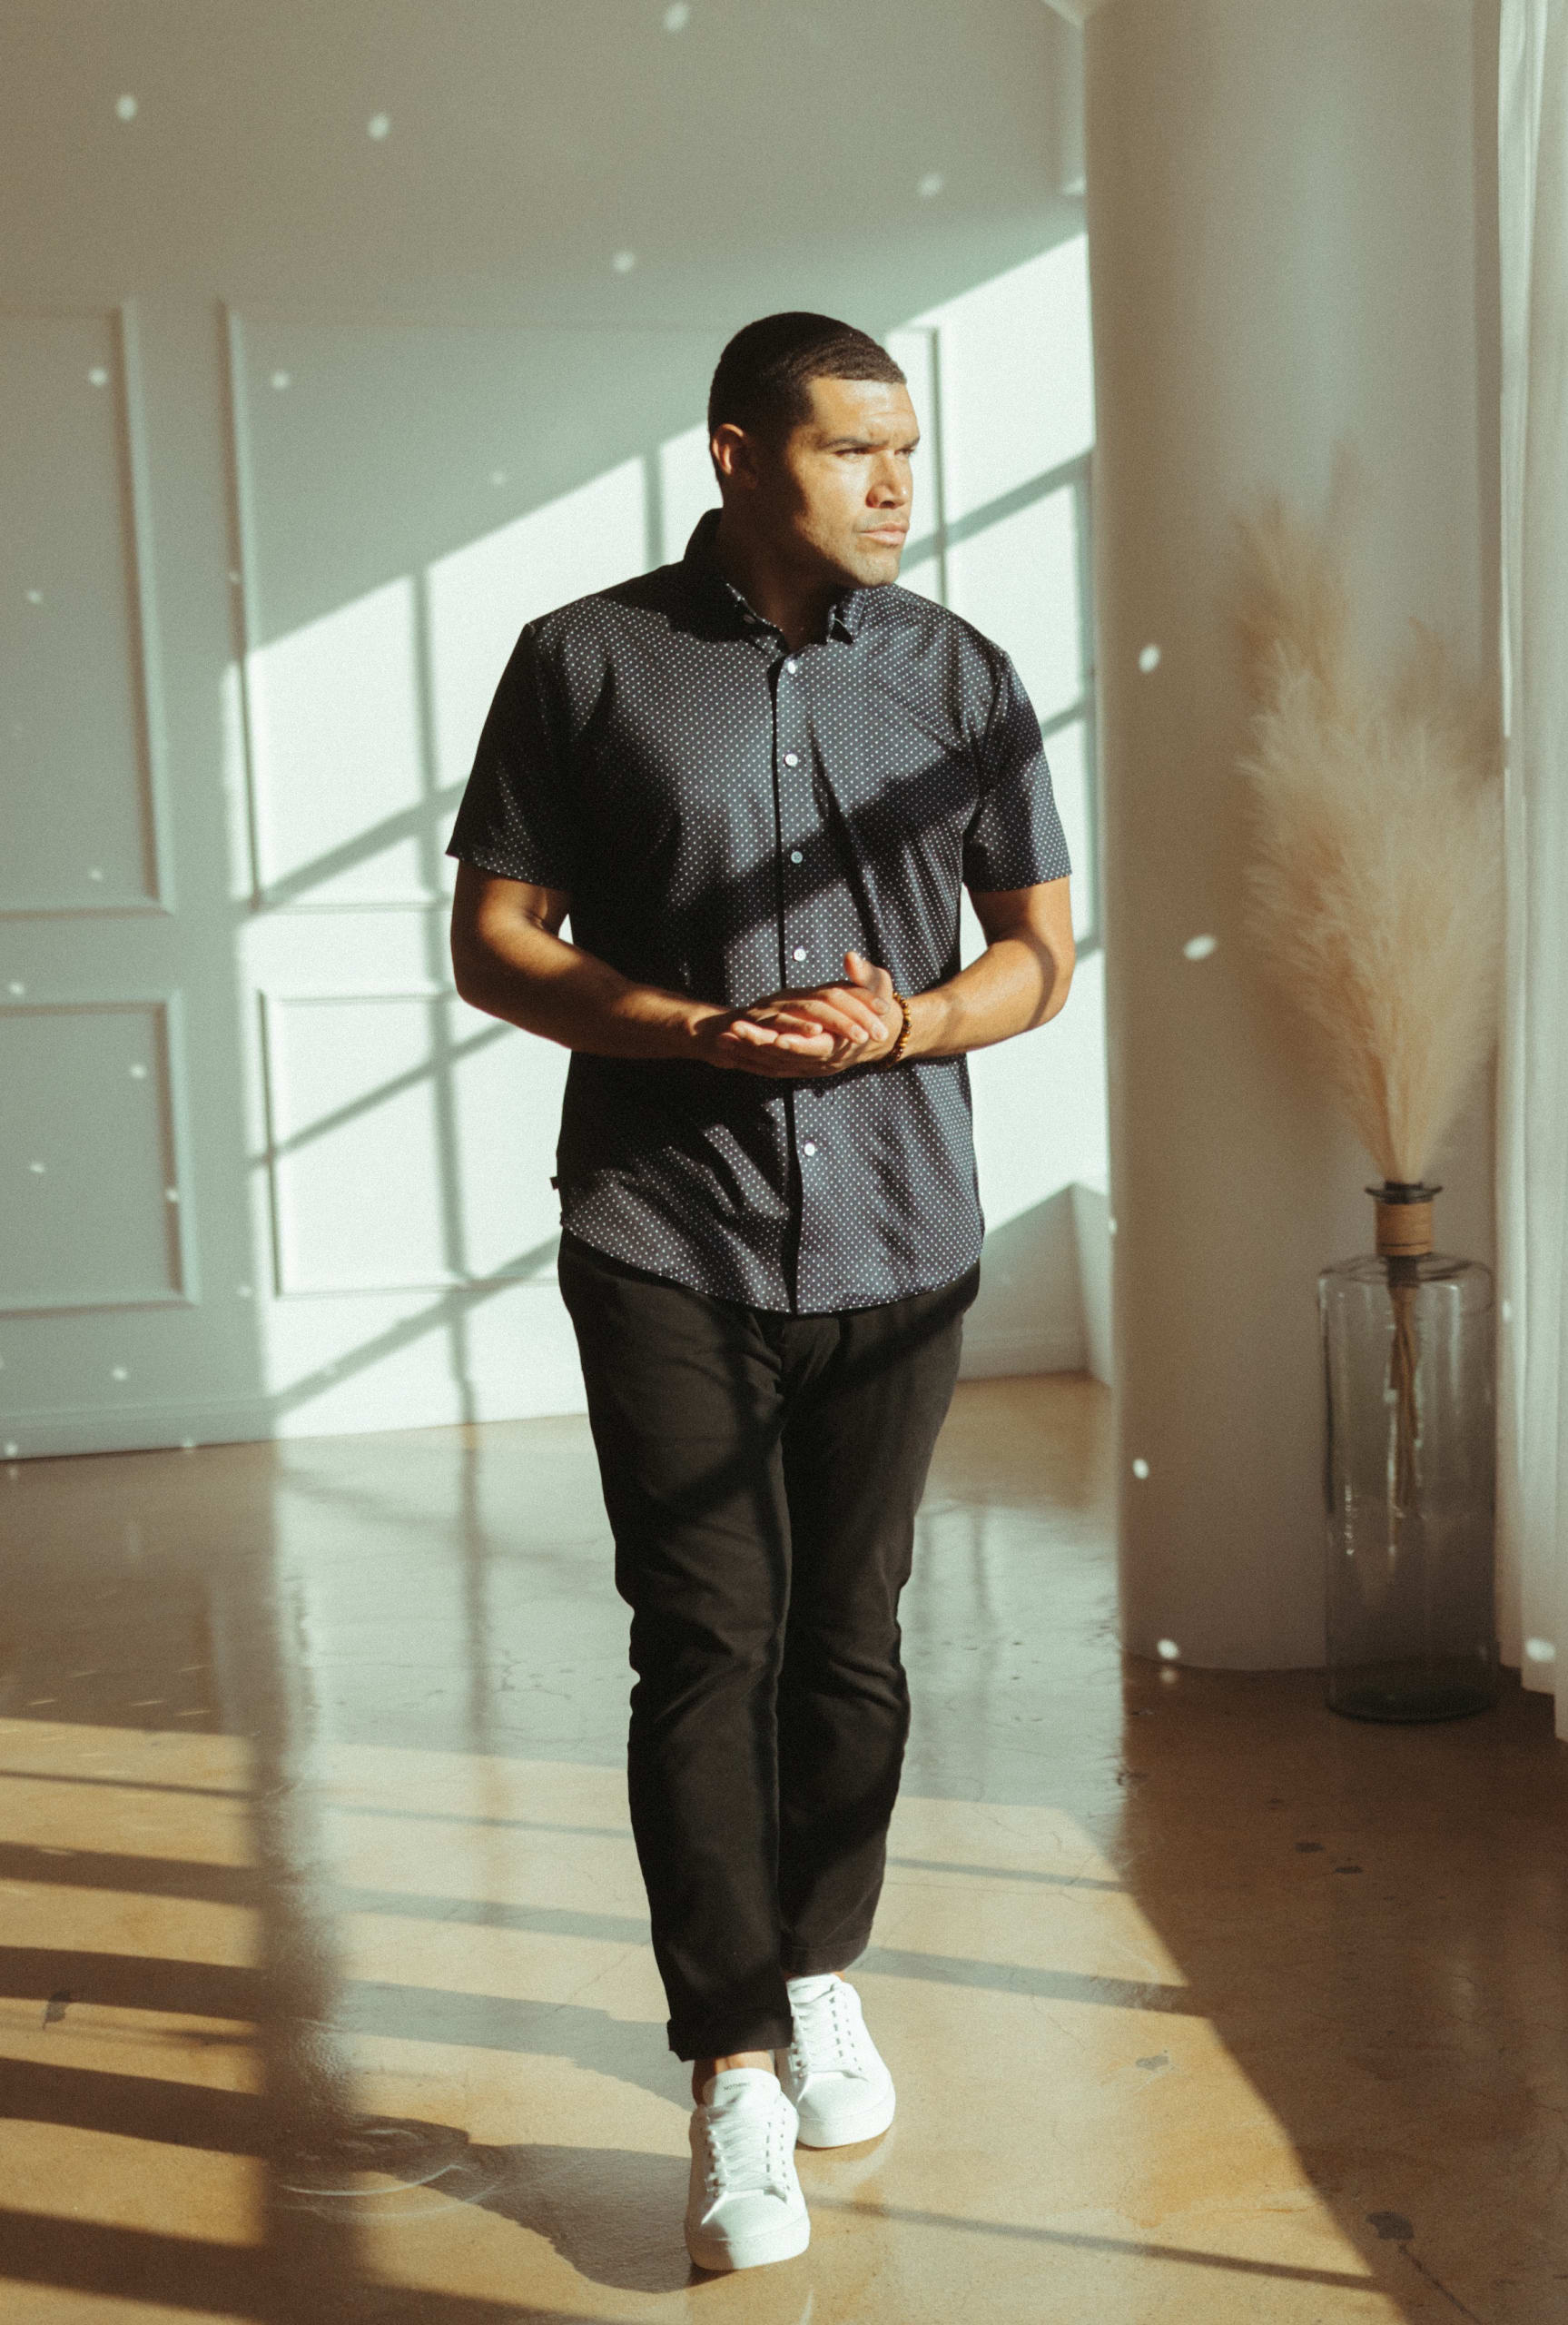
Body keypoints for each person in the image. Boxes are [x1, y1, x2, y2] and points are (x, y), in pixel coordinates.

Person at [446, 311, 1076, 2273]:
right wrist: (702, 1033)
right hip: (667, 1224)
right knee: (706, 1632)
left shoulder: (963, 675)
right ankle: (726, 2060)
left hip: (902, 1227)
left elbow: (1043, 951)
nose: (901, 484)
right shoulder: (585, 661)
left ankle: (817, 1965)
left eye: (913, 450)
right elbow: (492, 940)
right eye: (855, 450)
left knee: (854, 1634)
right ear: (737, 453)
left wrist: (901, 1032)